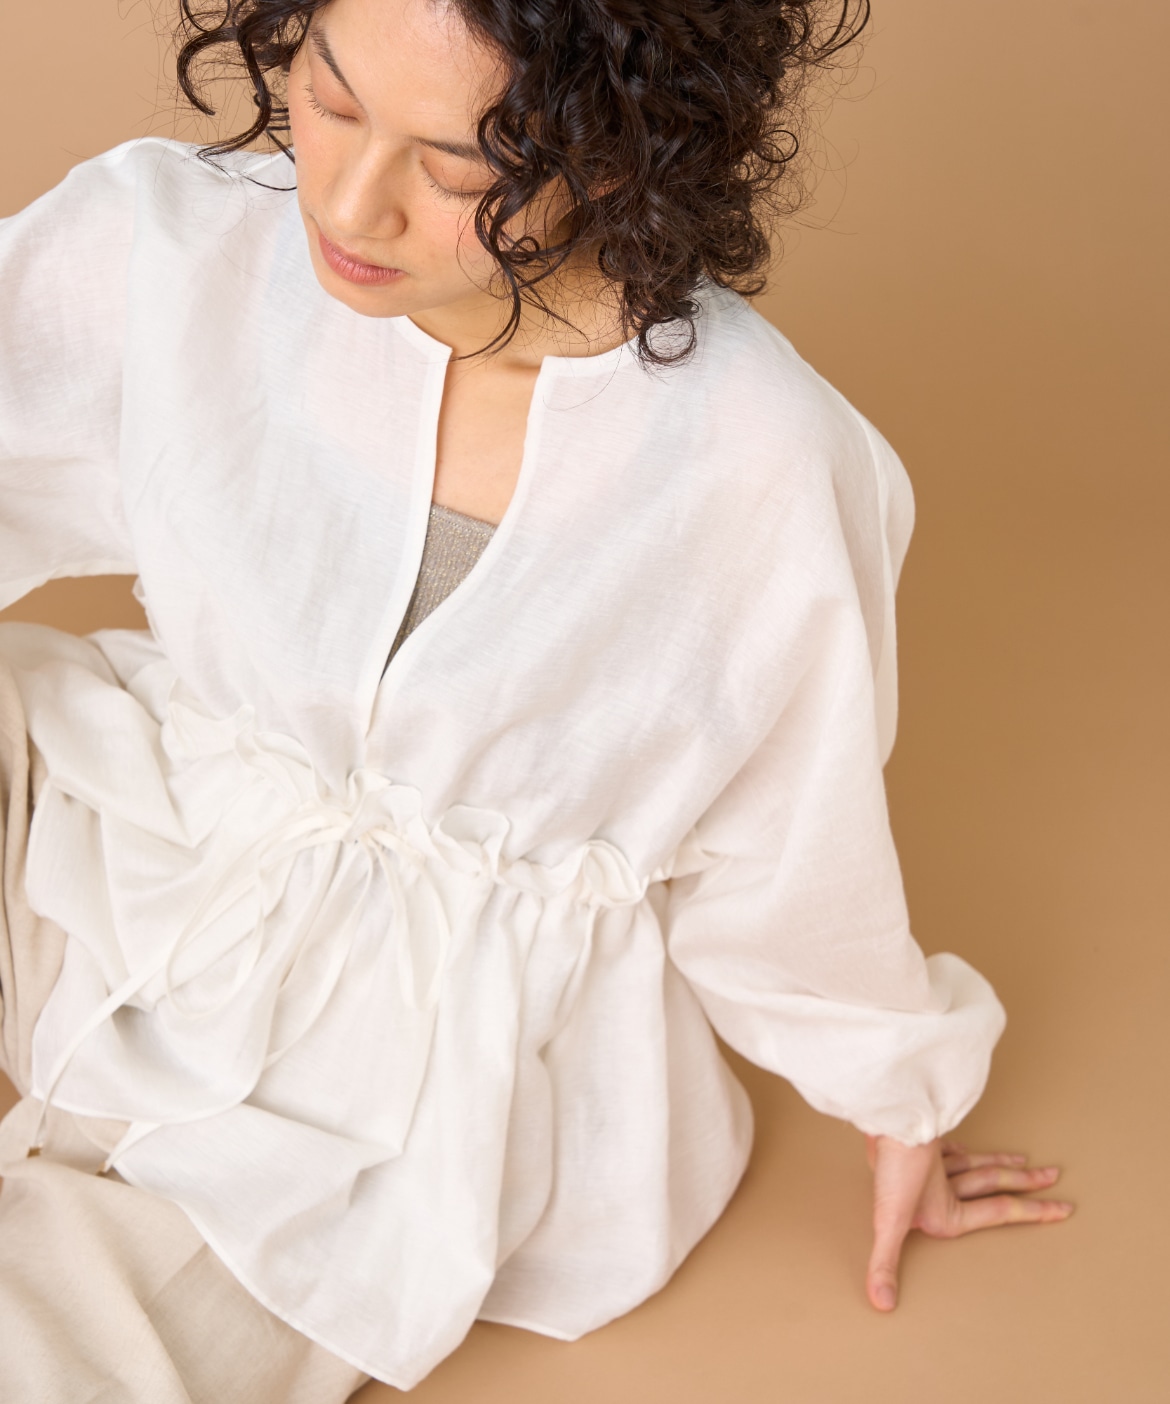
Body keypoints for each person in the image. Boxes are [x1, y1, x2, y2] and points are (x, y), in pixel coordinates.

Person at [0, 0, 1073, 1397]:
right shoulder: (181, 245)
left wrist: (897, 1097)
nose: (350, 202)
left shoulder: (755, 463)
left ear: (618, 152)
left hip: (399, 1076)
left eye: (455, 165)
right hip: (134, 838)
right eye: (330, 99)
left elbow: (790, 840)